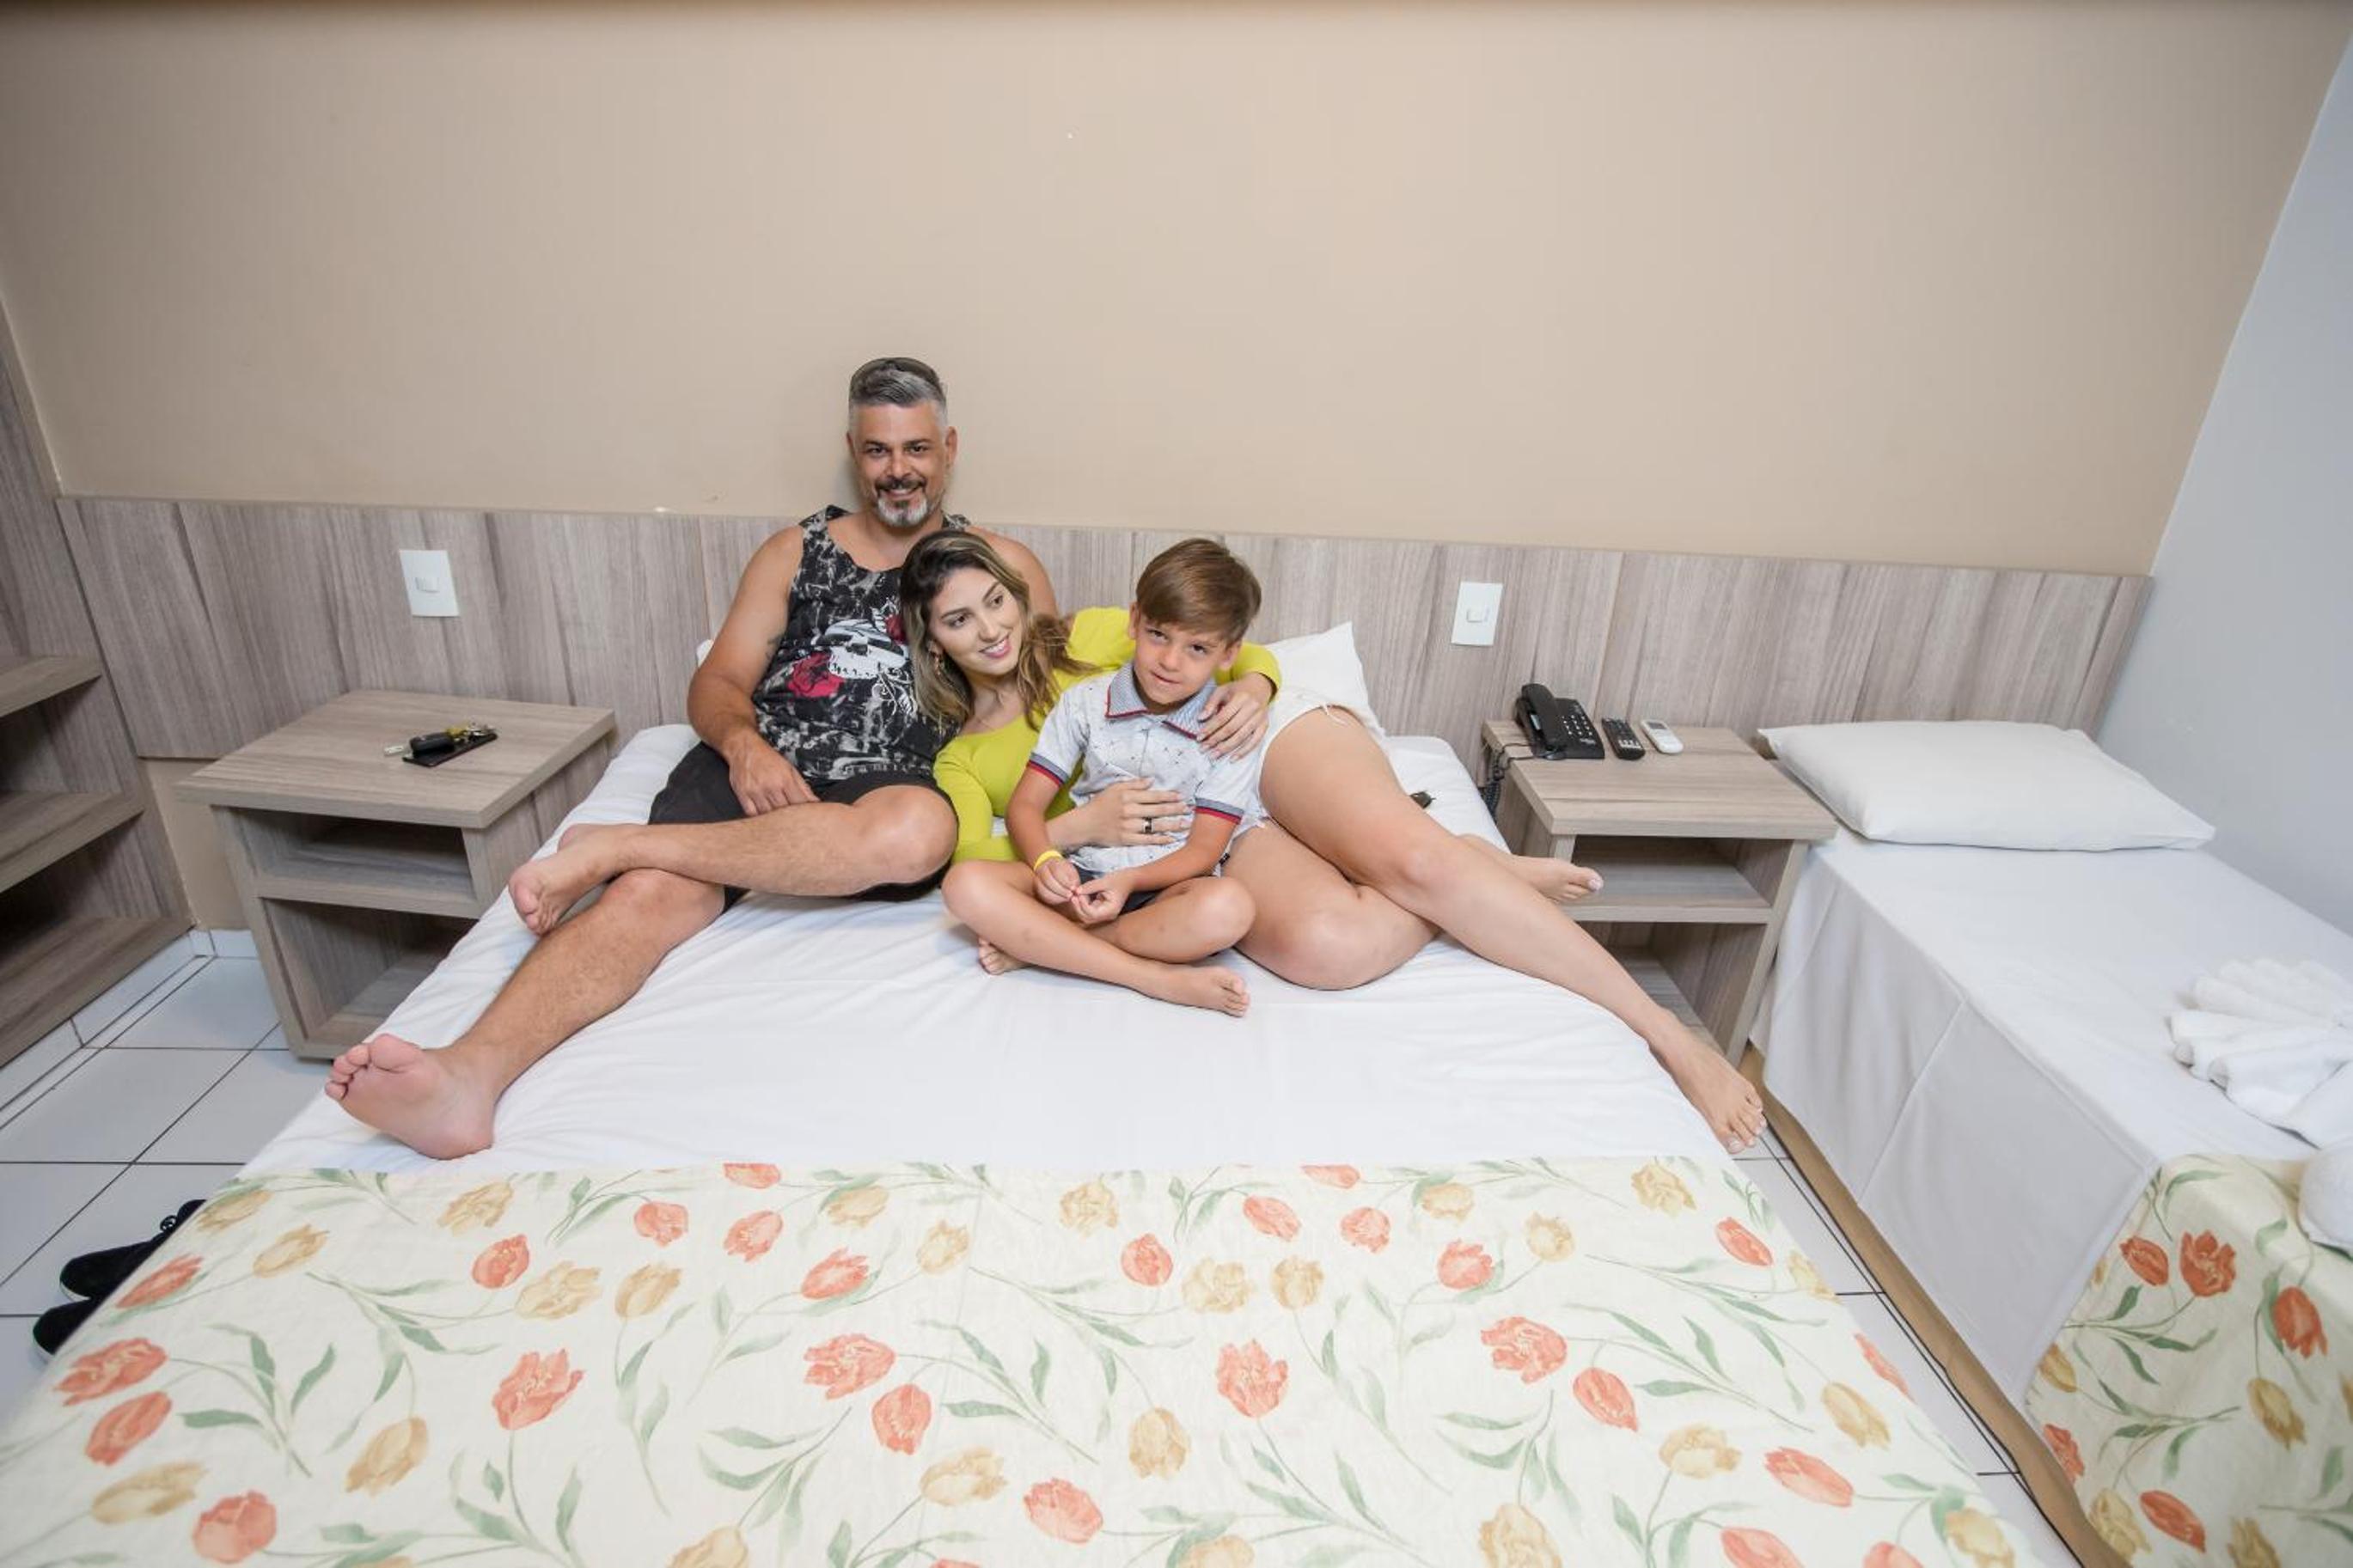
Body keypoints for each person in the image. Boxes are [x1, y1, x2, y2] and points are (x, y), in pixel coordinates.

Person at [323, 357, 1054, 1158]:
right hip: (762, 760)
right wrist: (743, 747)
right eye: (878, 450)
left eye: (916, 448)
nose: (898, 469)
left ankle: (623, 844)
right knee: (645, 900)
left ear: (950, 448)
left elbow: (1057, 698)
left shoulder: (998, 568)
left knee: (917, 832)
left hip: (888, 782)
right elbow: (719, 679)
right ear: (853, 452)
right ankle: (465, 1077)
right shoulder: (793, 551)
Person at [934, 539, 1275, 1015]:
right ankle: (1152, 977)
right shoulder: (1086, 702)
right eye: (1158, 635)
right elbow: (1025, 806)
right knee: (965, 885)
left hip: (1163, 887)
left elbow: (1203, 851)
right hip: (1082, 875)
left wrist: (1130, 881)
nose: (1170, 661)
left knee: (1230, 908)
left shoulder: (1228, 727)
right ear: (1134, 621)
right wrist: (1044, 860)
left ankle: (1045, 947)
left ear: (1228, 653)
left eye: (1197, 648)